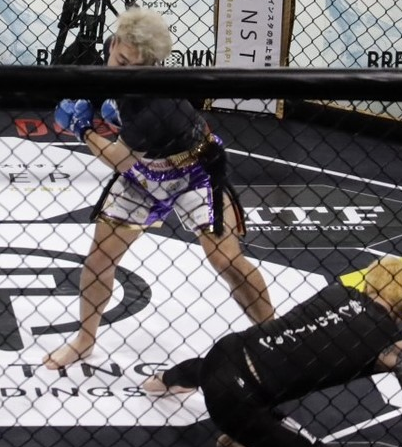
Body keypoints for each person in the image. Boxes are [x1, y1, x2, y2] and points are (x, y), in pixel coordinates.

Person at [43, 8, 274, 369]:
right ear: (114, 44)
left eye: (135, 68)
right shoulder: (113, 50)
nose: (124, 72)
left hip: (194, 171)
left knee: (225, 259)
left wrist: (83, 130)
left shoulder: (156, 104)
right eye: (120, 61)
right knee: (99, 260)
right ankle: (85, 340)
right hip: (145, 174)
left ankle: (273, 338)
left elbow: (121, 160)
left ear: (151, 64)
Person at [142, 257, 402, 447]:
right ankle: (240, 436)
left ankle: (162, 380)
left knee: (247, 363)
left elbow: (326, 343)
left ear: (369, 283)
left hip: (223, 354)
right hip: (239, 402)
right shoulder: (399, 352)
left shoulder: (336, 292)